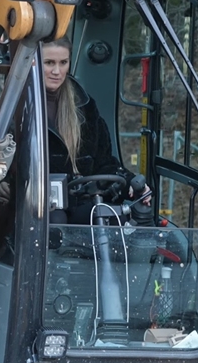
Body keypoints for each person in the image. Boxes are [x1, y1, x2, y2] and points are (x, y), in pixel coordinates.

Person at [40, 37, 150, 224]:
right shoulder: (19, 107)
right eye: (49, 63)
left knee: (113, 216)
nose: (57, 71)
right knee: (55, 222)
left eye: (63, 63)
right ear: (33, 62)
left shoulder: (85, 107)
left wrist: (131, 182)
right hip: (36, 205)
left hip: (79, 202)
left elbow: (105, 163)